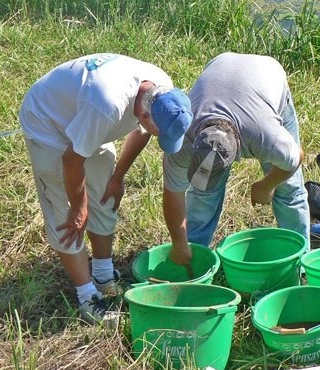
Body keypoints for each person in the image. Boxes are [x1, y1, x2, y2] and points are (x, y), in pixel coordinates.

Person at [19, 53, 192, 324]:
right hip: (50, 122)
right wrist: (79, 207)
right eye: (161, 133)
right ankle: (88, 298)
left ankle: (102, 274)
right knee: (67, 214)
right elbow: (71, 160)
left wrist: (117, 177)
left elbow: (141, 132)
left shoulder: (162, 89)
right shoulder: (107, 104)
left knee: (104, 196)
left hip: (86, 117)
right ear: (145, 114)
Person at [162, 52, 310, 266]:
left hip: (267, 75)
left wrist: (267, 185)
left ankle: (300, 264)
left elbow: (296, 157)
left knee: (288, 190)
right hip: (221, 65)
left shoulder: (263, 134)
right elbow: (173, 193)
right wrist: (179, 243)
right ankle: (194, 259)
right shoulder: (183, 137)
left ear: (238, 151)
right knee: (203, 195)